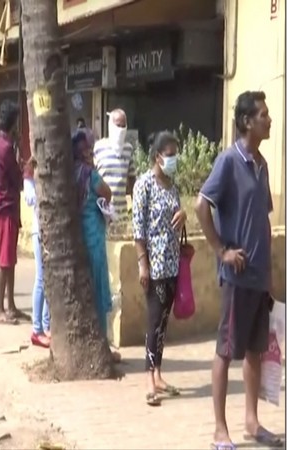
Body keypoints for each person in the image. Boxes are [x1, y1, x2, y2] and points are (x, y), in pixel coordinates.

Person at [195, 91, 283, 449]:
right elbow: (202, 205)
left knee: (255, 351)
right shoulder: (229, 161)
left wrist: (270, 276)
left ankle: (252, 421)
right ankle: (220, 428)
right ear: (247, 121)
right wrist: (221, 251)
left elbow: (261, 217)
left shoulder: (260, 164)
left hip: (259, 278)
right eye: (263, 114)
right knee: (225, 351)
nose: (269, 119)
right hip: (236, 277)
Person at [132, 131, 186, 407]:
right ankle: (148, 378)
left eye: (175, 153)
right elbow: (138, 229)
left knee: (164, 322)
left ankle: (159, 373)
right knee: (154, 321)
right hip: (154, 265)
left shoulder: (172, 187)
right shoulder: (144, 185)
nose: (174, 159)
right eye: (170, 154)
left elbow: (176, 218)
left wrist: (183, 214)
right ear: (157, 156)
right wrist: (143, 264)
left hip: (173, 262)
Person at [73, 129, 115, 341]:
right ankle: (101, 341)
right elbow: (107, 192)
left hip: (77, 240)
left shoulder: (69, 174)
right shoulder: (91, 175)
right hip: (94, 238)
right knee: (98, 288)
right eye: (89, 147)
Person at [0, 100, 25, 325]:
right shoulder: (4, 149)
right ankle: (1, 310)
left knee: (10, 260)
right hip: (5, 208)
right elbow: (18, 179)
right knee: (4, 260)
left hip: (8, 207)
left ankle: (10, 305)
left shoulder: (3, 145)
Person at [93, 108, 136, 228]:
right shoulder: (99, 147)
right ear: (110, 125)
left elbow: (132, 180)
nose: (121, 130)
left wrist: (136, 208)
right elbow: (92, 178)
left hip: (121, 215)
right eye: (118, 126)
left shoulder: (128, 149)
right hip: (101, 213)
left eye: (124, 126)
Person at [23, 156, 50, 346]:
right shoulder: (30, 177)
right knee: (41, 278)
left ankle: (46, 325)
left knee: (50, 279)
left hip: (51, 232)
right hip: (38, 231)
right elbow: (31, 199)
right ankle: (36, 329)